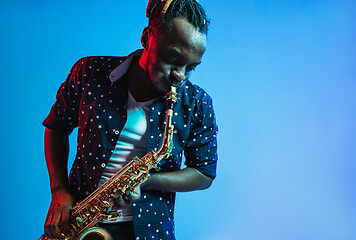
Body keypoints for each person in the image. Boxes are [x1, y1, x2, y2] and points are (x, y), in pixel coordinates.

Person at [42, 0, 218, 239]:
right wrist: (59, 190)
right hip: (79, 223)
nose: (179, 76)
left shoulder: (197, 103)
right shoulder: (90, 72)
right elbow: (56, 126)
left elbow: (204, 173)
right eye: (173, 60)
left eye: (190, 68)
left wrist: (148, 179)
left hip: (149, 230)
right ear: (147, 38)